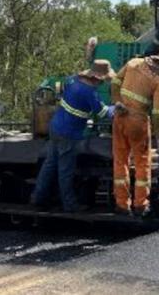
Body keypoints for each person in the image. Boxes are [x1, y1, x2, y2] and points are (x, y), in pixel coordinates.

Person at [31, 60, 116, 212]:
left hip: (55, 127)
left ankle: (38, 198)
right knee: (66, 171)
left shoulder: (72, 80)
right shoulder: (90, 93)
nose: (103, 82)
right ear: (97, 78)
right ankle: (70, 206)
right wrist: (117, 107)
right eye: (103, 79)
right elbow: (103, 113)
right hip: (68, 134)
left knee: (49, 165)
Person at [110, 46, 159, 216]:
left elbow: (114, 82)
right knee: (142, 163)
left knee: (120, 161)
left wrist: (117, 102)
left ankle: (121, 204)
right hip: (138, 122)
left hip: (119, 118)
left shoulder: (133, 63)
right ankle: (141, 204)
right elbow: (158, 113)